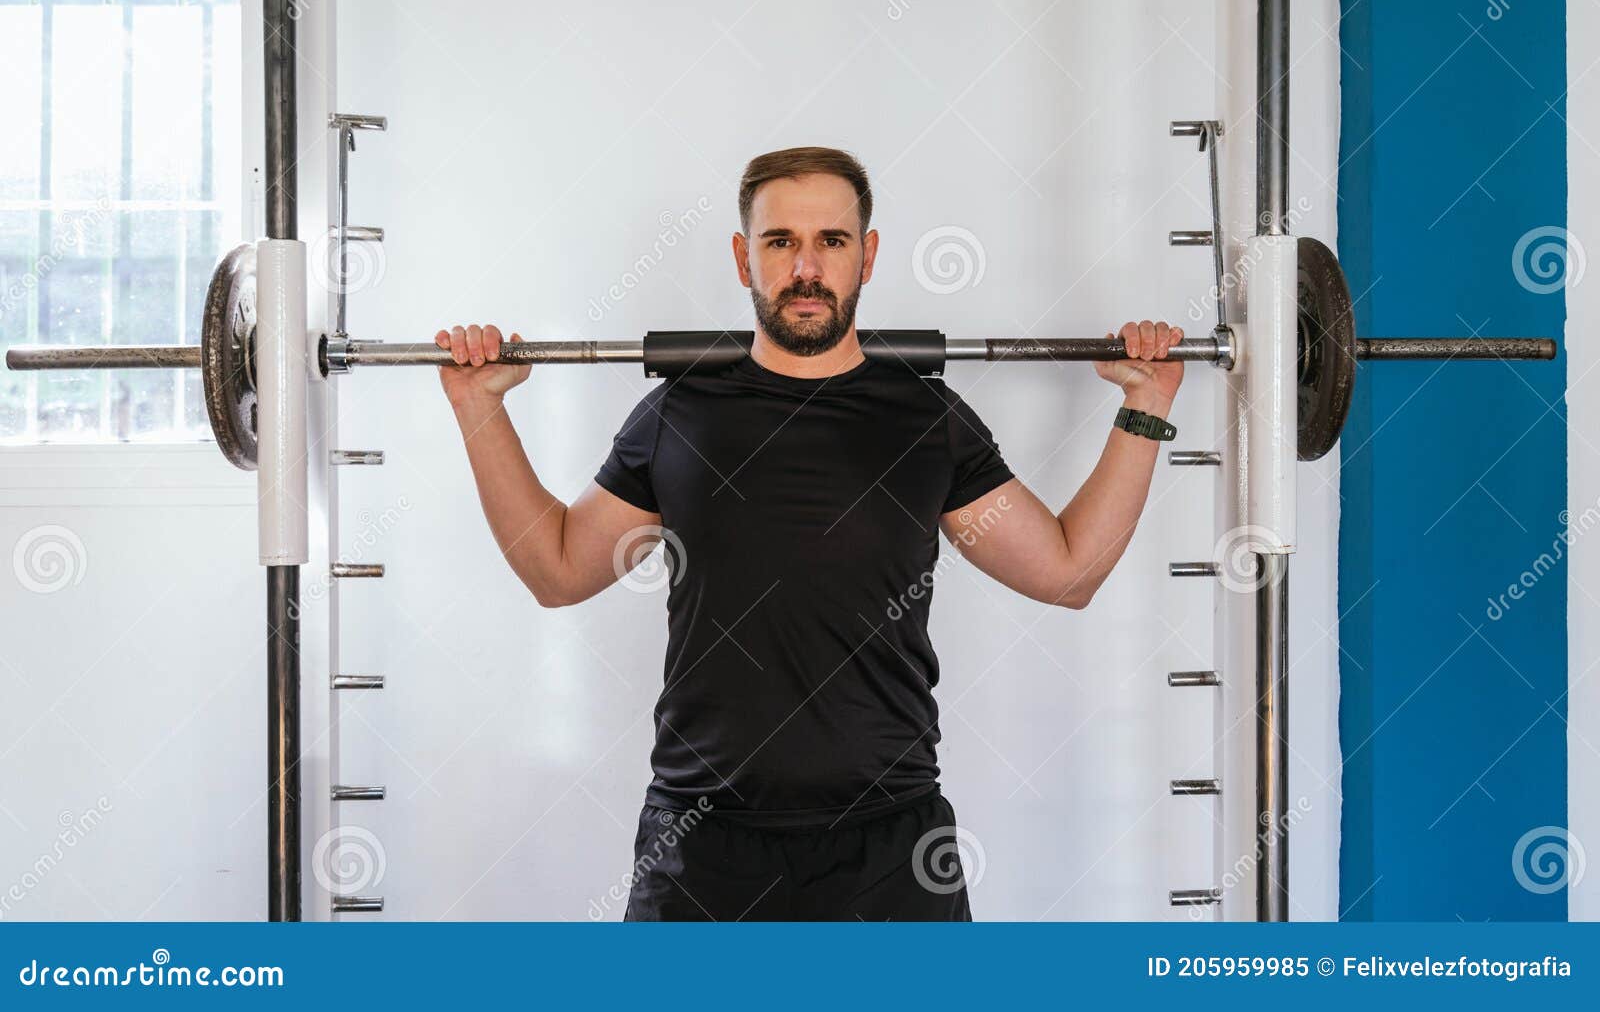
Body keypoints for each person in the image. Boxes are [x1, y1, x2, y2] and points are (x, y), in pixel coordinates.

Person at [435, 146, 1184, 921]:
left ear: (869, 254)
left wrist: (1146, 404)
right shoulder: (677, 418)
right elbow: (558, 570)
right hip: (701, 846)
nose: (806, 267)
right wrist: (479, 406)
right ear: (742, 257)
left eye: (832, 240)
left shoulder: (927, 421)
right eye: (779, 241)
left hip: (890, 848)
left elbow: (1067, 572)